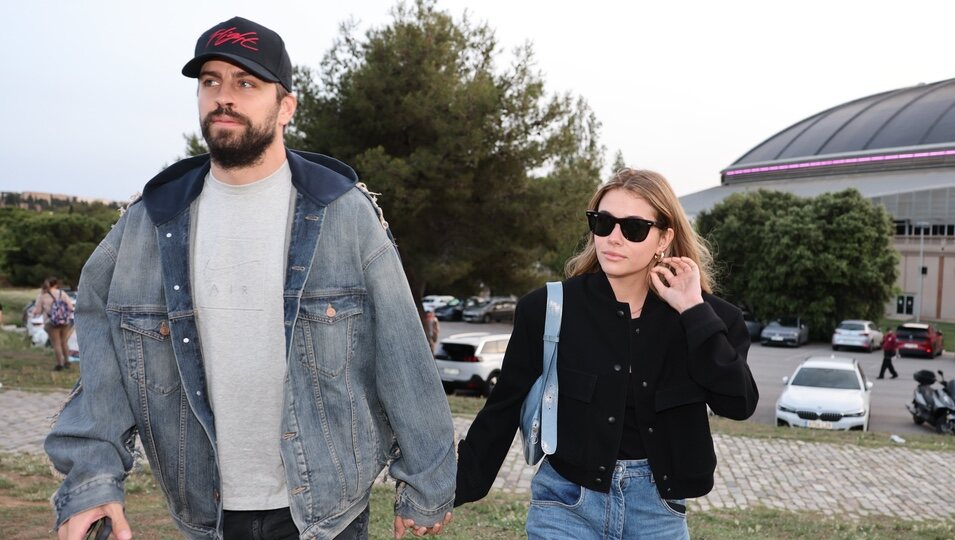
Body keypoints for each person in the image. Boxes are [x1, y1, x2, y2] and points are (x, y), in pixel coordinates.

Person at [45, 16, 455, 540]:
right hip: (205, 512)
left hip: (326, 512)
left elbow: (403, 352)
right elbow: (103, 367)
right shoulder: (148, 224)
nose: (224, 97)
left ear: (286, 107)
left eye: (246, 83)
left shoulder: (343, 214)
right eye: (210, 81)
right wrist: (92, 482)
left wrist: (427, 480)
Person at [454, 168, 759, 539]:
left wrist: (693, 310)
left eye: (633, 228)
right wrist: (443, 494)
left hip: (657, 510)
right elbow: (502, 410)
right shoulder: (547, 309)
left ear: (664, 237)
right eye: (603, 223)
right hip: (564, 503)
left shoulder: (709, 317)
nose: (614, 238)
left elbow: (738, 403)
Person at [32, 277, 74, 371]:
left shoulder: (43, 295)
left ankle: (60, 364)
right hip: (64, 322)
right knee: (64, 342)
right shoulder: (62, 293)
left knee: (56, 344)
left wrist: (35, 313)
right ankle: (67, 362)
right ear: (56, 284)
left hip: (51, 322)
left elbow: (38, 310)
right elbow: (70, 307)